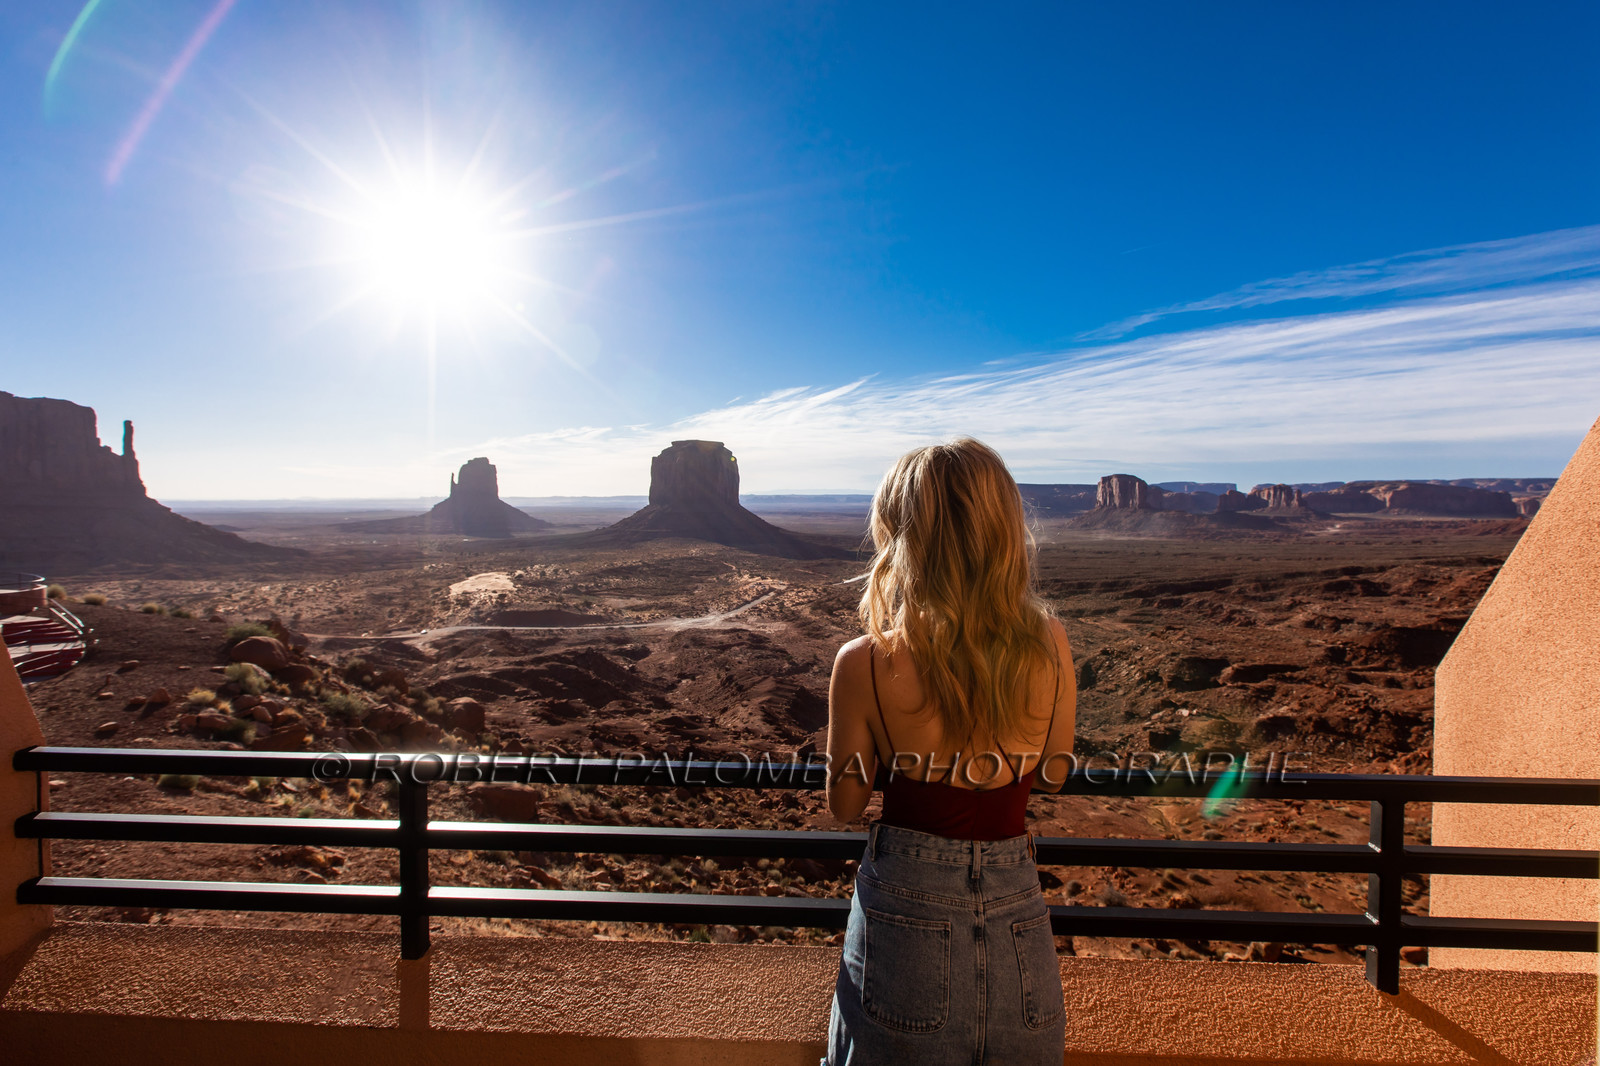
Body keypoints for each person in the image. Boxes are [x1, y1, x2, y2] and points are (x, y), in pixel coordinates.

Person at [822, 437, 1076, 1066]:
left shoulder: (864, 662)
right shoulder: (1050, 641)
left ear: (902, 534)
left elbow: (846, 805)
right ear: (1001, 530)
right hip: (1019, 912)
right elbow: (1052, 774)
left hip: (904, 917)